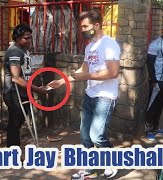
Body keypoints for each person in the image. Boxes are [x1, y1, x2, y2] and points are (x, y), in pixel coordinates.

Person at [48, 10, 120, 179]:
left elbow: (114, 72)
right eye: (81, 27)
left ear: (97, 25)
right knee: (86, 136)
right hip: (90, 95)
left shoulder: (109, 44)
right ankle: (90, 169)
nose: (83, 30)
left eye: (85, 26)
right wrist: (62, 81)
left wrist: (86, 76)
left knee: (97, 135)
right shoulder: (89, 47)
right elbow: (85, 69)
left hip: (105, 97)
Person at [3, 24, 47, 147]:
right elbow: (16, 78)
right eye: (25, 38)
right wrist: (37, 89)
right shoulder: (14, 51)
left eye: (30, 38)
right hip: (14, 92)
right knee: (15, 123)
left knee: (18, 121)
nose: (29, 41)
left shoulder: (24, 49)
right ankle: (12, 153)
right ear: (17, 38)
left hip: (23, 92)